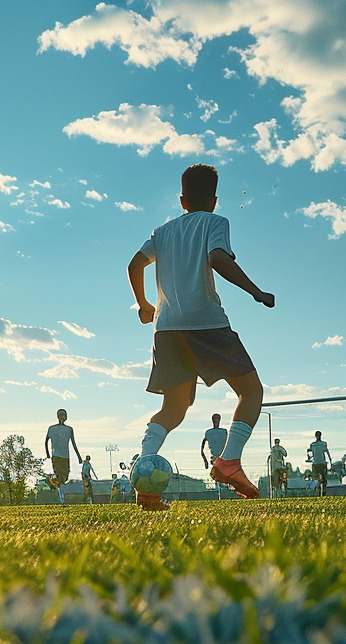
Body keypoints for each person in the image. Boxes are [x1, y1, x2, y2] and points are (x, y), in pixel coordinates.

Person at [126, 163, 274, 510]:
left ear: (181, 200)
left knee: (174, 408)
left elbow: (134, 265)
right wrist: (255, 291)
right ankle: (228, 461)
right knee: (250, 390)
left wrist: (145, 305)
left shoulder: (162, 232)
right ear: (215, 199)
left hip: (167, 328)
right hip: (205, 322)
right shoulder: (215, 222)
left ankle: (145, 482)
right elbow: (218, 258)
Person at [44, 408, 82, 504]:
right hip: (57, 455)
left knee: (64, 477)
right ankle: (61, 499)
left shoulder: (68, 429)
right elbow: (46, 442)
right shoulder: (52, 428)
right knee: (60, 477)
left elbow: (73, 443)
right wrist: (48, 454)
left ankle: (57, 490)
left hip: (64, 455)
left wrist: (79, 456)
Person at [201, 413, 229, 499]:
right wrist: (205, 460)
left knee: (223, 475)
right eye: (215, 419)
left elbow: (229, 443)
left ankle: (223, 492)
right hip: (215, 458)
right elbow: (202, 448)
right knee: (218, 475)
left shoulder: (224, 432)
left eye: (217, 419)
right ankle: (219, 493)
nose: (216, 421)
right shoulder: (209, 433)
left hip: (224, 457)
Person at [307, 430, 331, 497]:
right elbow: (327, 452)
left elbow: (309, 452)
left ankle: (317, 491)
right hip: (322, 462)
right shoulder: (324, 444)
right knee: (324, 479)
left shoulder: (312, 445)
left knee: (315, 479)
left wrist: (309, 458)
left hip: (315, 463)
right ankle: (324, 492)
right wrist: (330, 460)